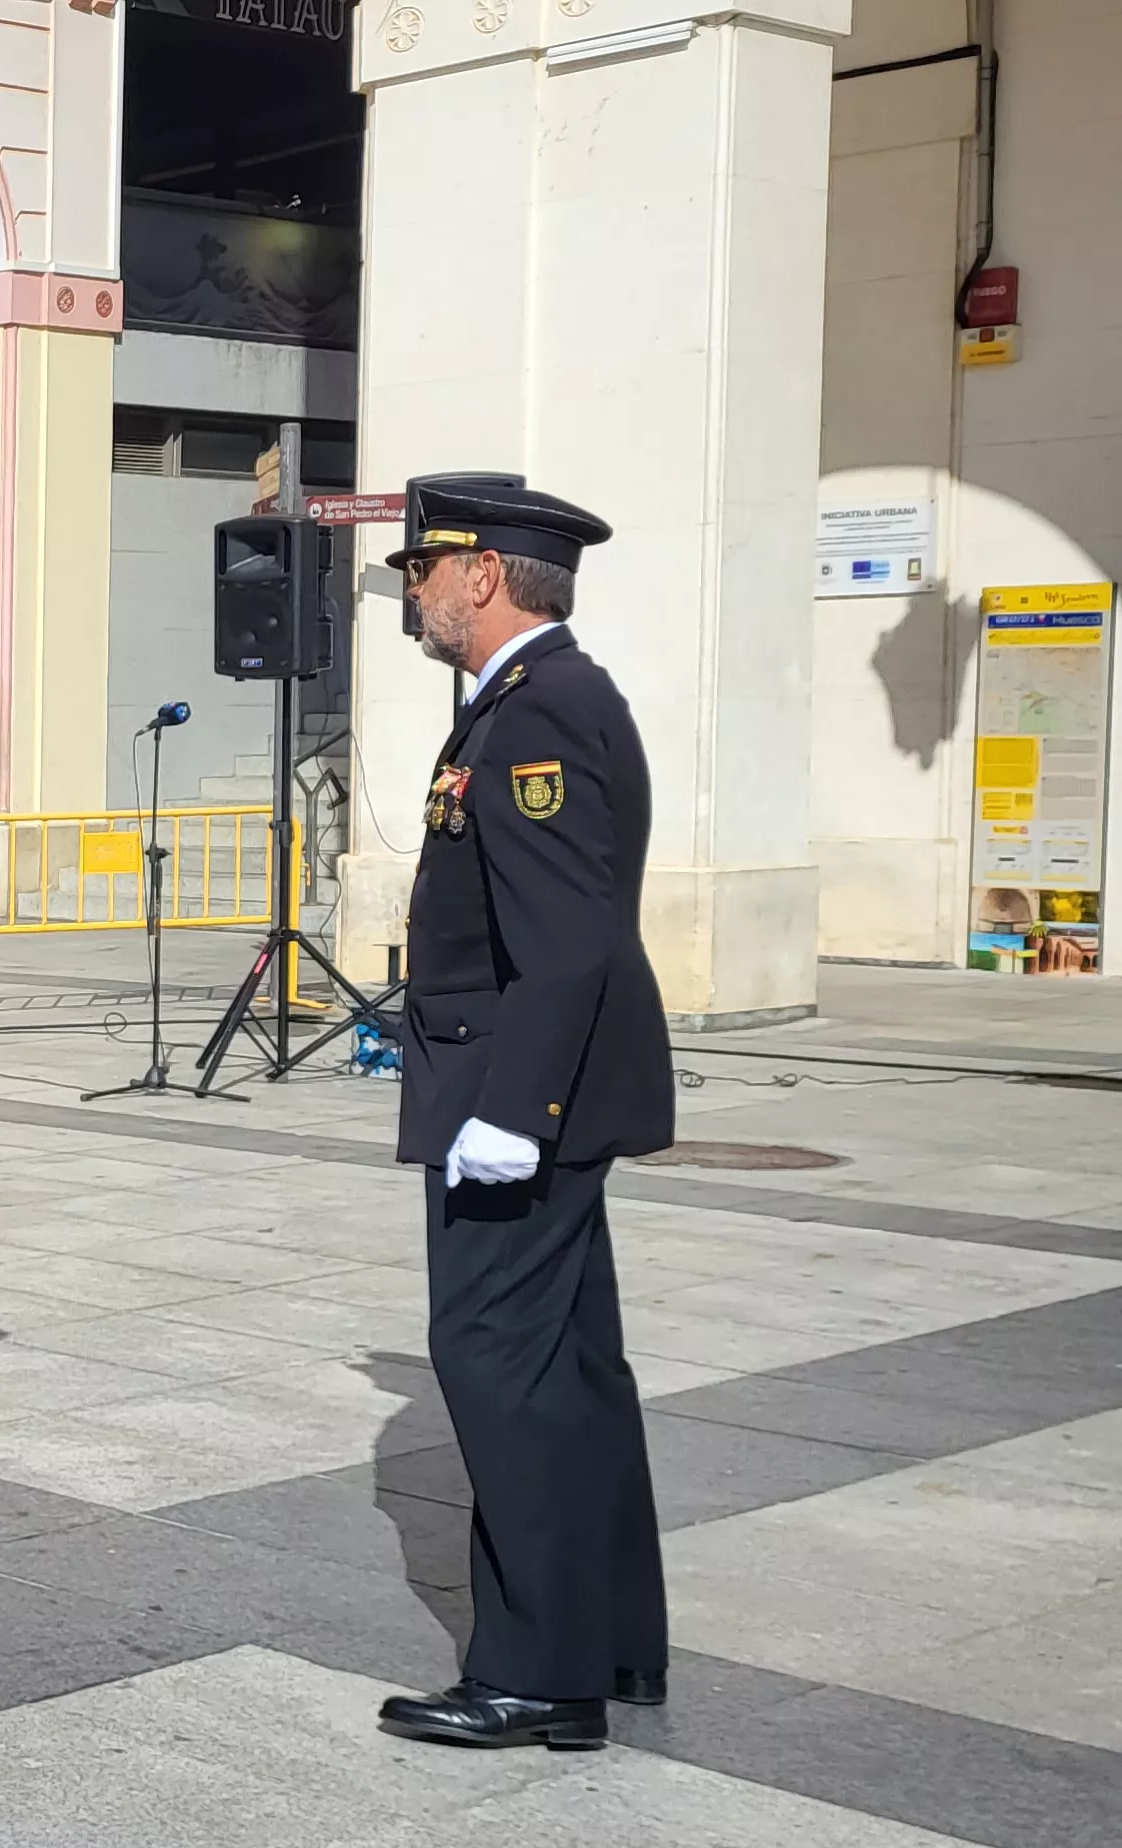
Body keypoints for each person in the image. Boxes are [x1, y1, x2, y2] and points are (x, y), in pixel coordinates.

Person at [368, 477, 674, 1751]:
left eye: (426, 572)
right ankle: (604, 1645)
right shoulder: (534, 700)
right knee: (571, 1367)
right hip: (535, 1083)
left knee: (498, 1366)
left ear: (481, 574)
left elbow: (565, 940)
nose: (417, 596)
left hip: (516, 1097)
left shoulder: (536, 711)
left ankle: (538, 1676)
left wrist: (514, 1112)